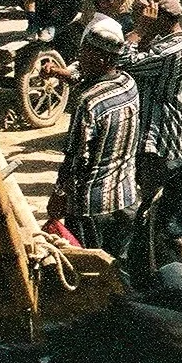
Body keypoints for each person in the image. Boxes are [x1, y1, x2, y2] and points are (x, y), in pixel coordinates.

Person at [48, 22, 142, 261]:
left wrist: (59, 194)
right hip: (126, 196)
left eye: (84, 54)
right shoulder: (128, 83)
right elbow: (85, 77)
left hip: (92, 206)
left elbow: (76, 159)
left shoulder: (88, 103)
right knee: (119, 265)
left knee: (91, 271)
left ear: (101, 59)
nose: (79, 59)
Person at [119, 0, 182, 200]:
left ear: (160, 16)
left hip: (163, 144)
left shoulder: (169, 51)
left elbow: (121, 61)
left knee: (154, 202)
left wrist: (140, 30)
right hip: (180, 141)